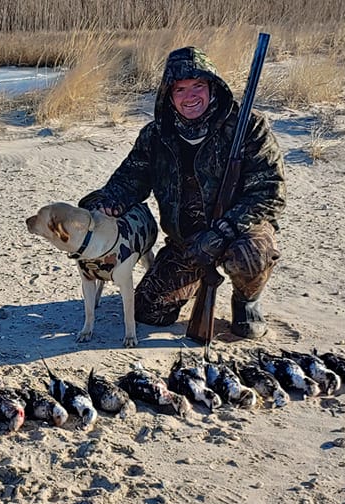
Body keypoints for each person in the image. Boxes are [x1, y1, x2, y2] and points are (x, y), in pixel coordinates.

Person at [79, 46, 285, 339]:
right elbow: (127, 182)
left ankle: (246, 301)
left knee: (250, 255)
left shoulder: (248, 126)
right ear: (169, 94)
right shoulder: (155, 135)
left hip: (240, 232)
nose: (190, 96)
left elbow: (270, 193)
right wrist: (100, 204)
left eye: (198, 85)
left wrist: (223, 231)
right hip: (187, 243)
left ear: (212, 86)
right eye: (180, 89)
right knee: (149, 312)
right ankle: (198, 281)